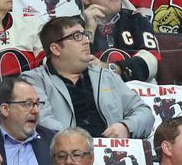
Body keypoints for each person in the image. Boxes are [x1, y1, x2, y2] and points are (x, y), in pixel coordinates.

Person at [22, 16, 154, 138]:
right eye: (77, 36)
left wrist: (126, 127)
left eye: (84, 35)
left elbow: (144, 112)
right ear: (56, 49)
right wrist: (77, 142)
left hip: (111, 154)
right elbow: (42, 121)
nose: (86, 41)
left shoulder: (106, 77)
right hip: (65, 156)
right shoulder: (34, 81)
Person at [75, 0, 160, 82]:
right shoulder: (67, 26)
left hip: (138, 94)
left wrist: (110, 68)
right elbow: (70, 66)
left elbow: (152, 61)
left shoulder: (136, 19)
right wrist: (89, 30)